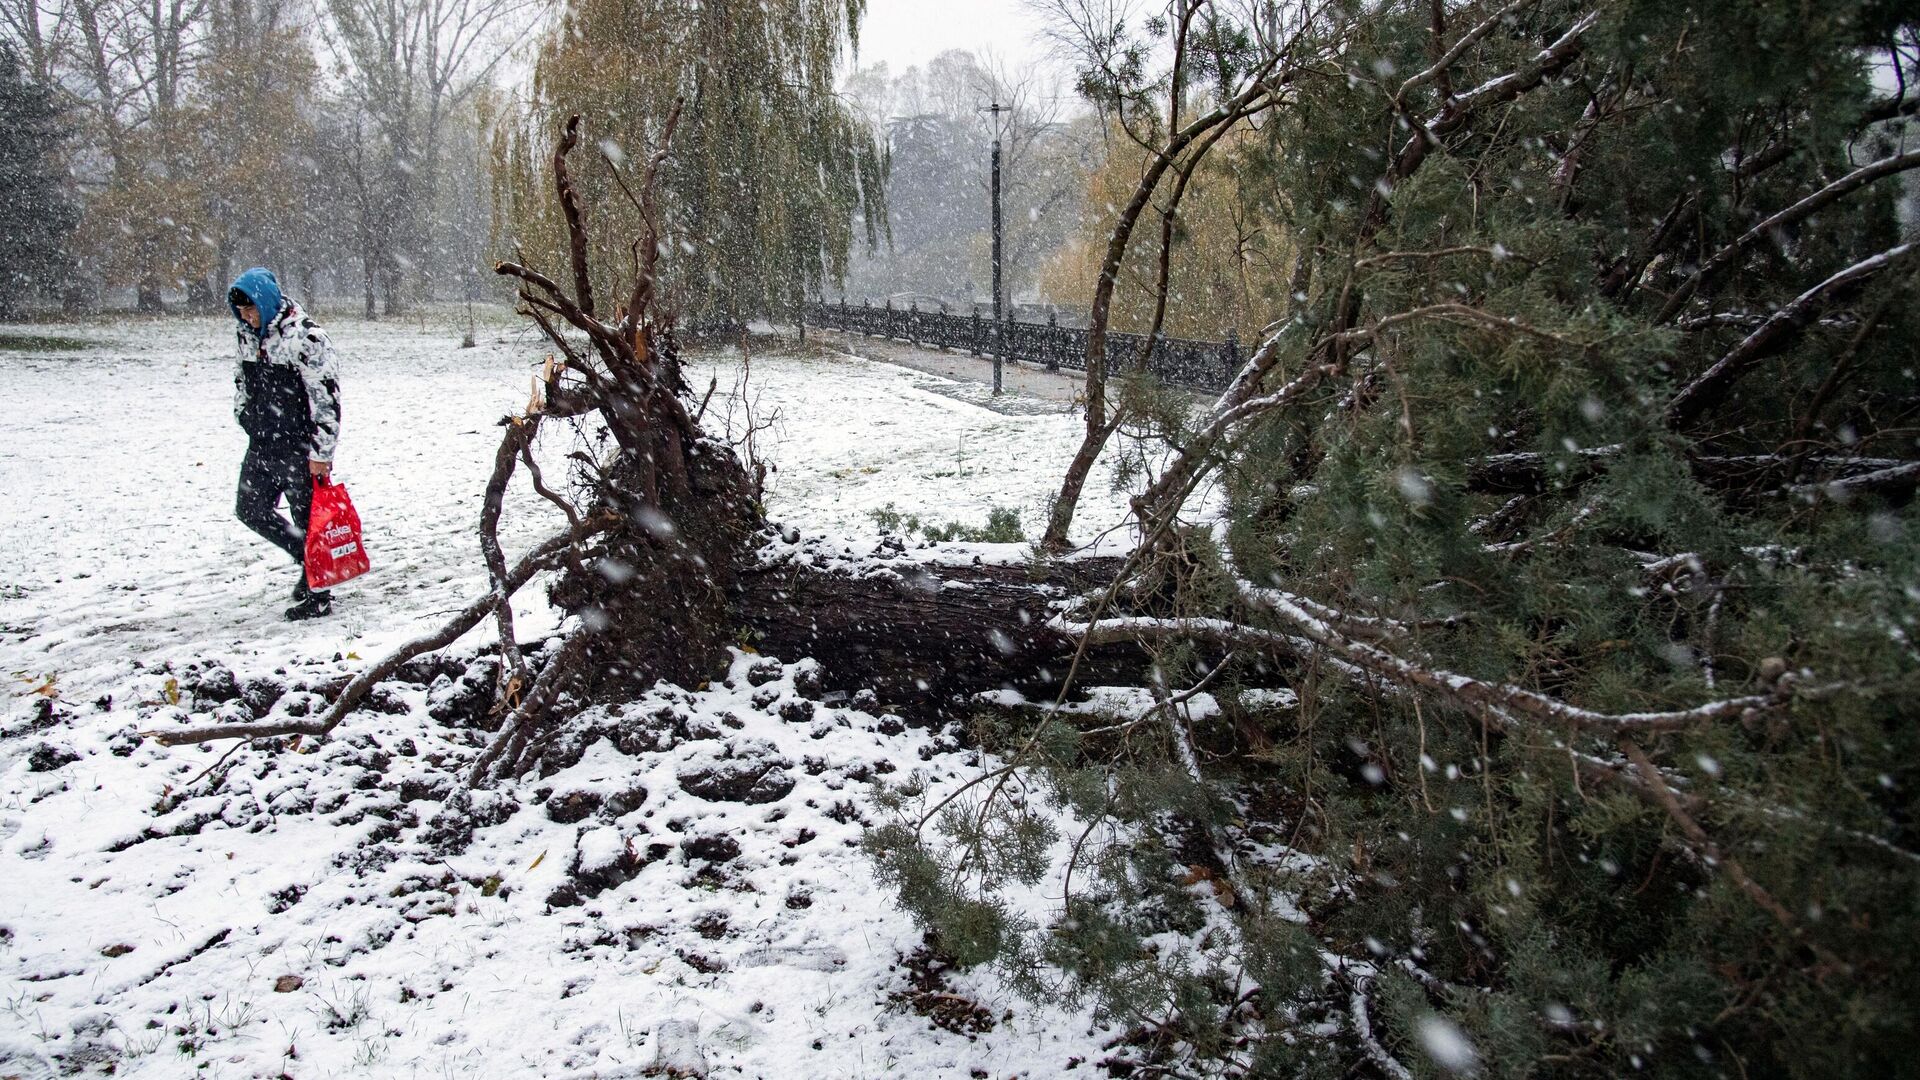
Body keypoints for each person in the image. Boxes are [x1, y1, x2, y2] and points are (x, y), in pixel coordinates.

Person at [227, 267, 342, 620]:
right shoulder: (246, 335)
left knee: (308, 519)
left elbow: (326, 397)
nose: (247, 318)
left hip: (299, 446)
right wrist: (245, 415)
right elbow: (241, 381)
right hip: (262, 442)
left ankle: (319, 595)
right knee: (250, 509)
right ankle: (307, 560)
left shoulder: (306, 338)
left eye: (251, 310)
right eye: (242, 313)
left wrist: (321, 452)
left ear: (266, 300)